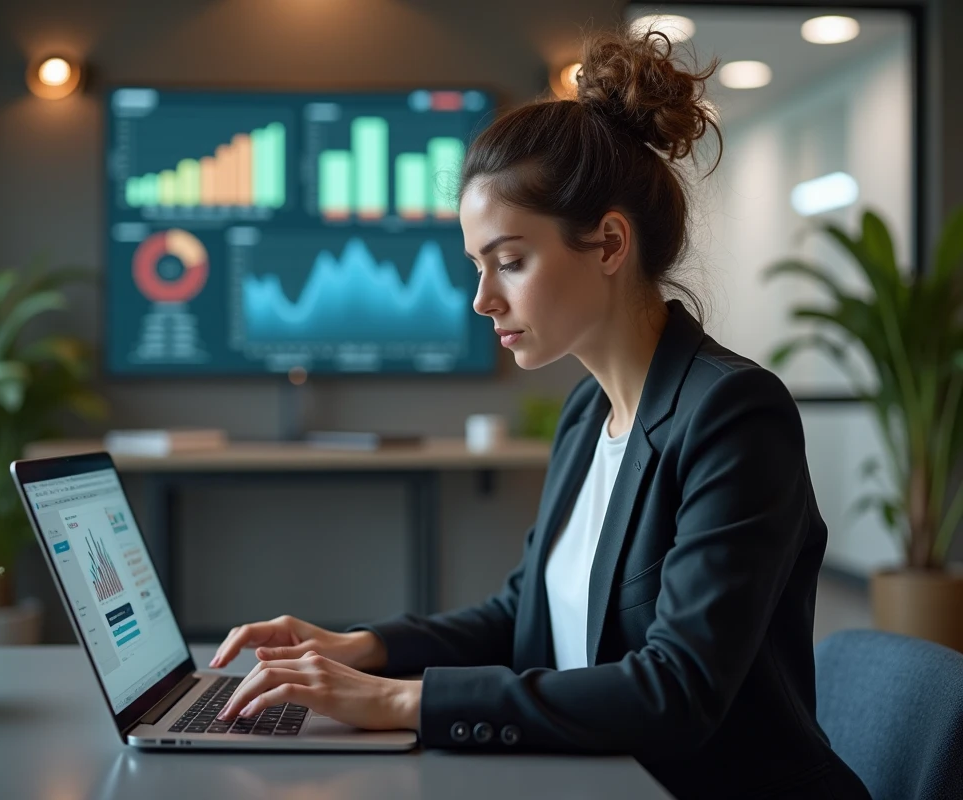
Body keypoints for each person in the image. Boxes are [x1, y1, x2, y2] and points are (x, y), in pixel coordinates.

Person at [210, 26, 872, 800]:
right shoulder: (590, 412)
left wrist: (401, 702)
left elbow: (678, 689)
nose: (482, 299)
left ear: (610, 243)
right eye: (477, 266)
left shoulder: (731, 414)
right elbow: (524, 614)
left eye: (511, 261)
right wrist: (361, 649)